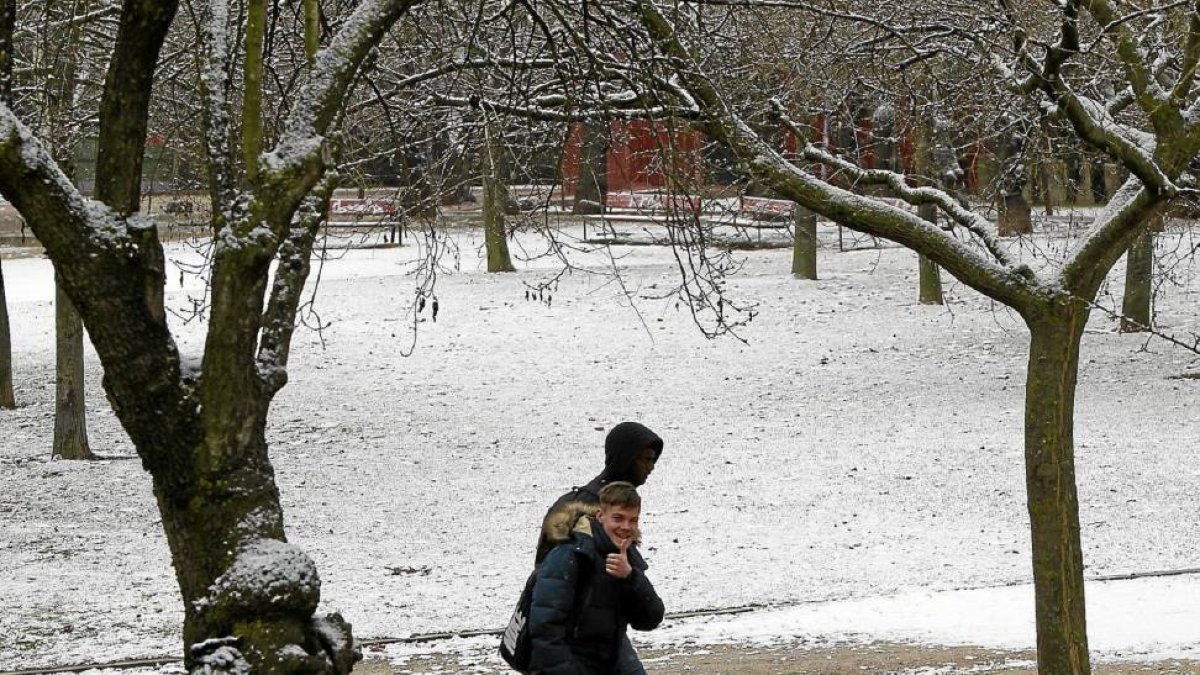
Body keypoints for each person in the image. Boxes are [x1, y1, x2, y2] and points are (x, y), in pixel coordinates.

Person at [528, 482, 665, 675]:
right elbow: (545, 628)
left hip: (606, 662)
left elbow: (650, 619)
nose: (626, 527)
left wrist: (631, 577)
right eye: (618, 518)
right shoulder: (570, 554)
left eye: (633, 520)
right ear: (601, 516)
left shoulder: (626, 556)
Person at [535, 421, 663, 565]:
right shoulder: (583, 507)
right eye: (646, 459)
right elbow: (552, 574)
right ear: (626, 458)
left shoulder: (616, 502)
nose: (651, 467)